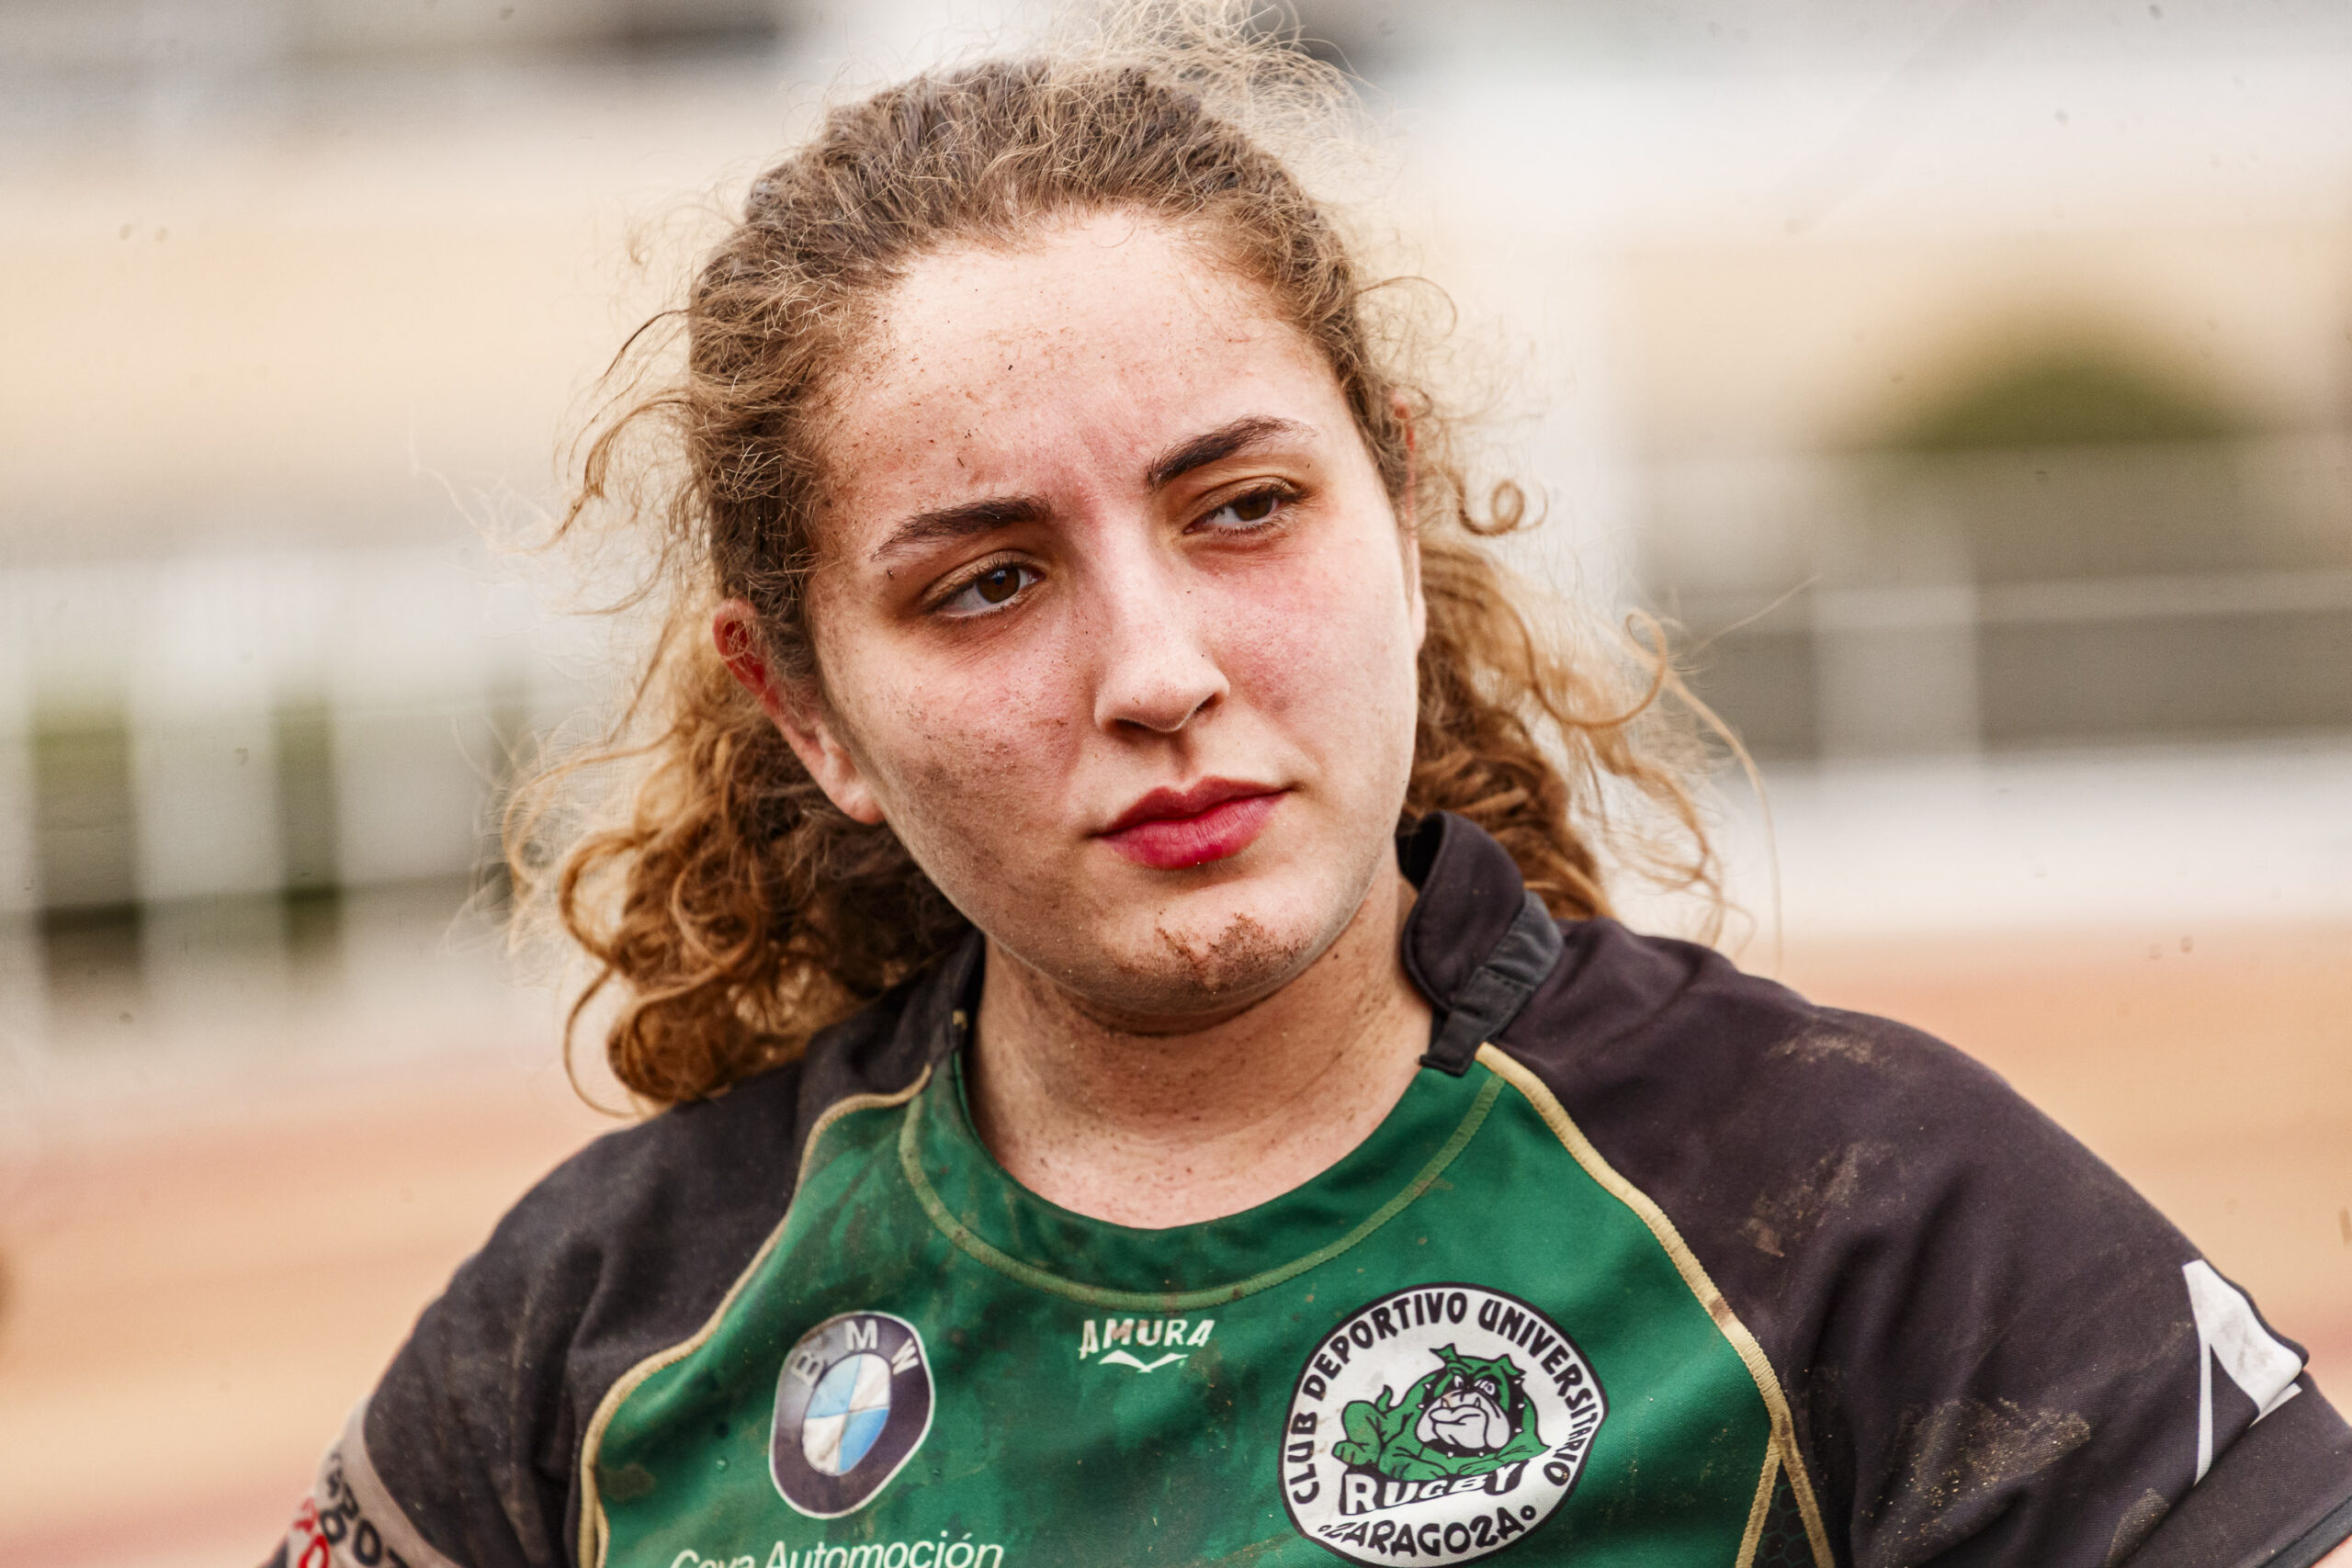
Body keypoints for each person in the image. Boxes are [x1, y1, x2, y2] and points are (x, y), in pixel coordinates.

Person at [267, 12, 2352, 1568]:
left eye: (1243, 507)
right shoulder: (598, 1325)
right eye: (986, 581)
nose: (1159, 670)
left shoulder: (1875, 1216)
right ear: (805, 706)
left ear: (1399, 506)